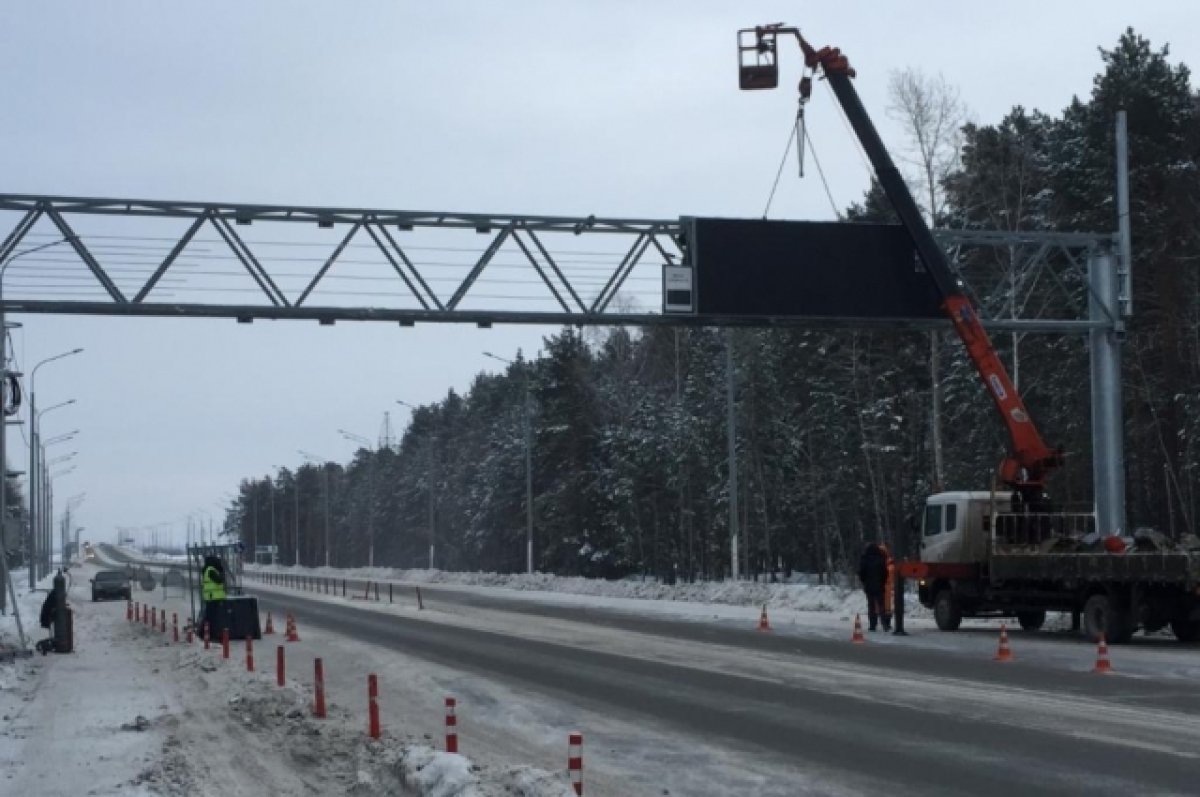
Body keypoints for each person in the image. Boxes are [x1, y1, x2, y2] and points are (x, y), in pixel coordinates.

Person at [858, 542, 888, 631]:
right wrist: (883, 582)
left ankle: (872, 625)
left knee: (871, 606)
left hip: (869, 586)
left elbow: (861, 573)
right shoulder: (881, 559)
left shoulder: (864, 559)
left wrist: (864, 582)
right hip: (879, 585)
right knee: (881, 605)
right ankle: (884, 624)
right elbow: (885, 573)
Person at [878, 543, 895, 632]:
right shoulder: (887, 563)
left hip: (886, 588)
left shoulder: (889, 564)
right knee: (883, 607)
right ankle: (885, 623)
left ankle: (886, 623)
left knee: (886, 607)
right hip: (884, 588)